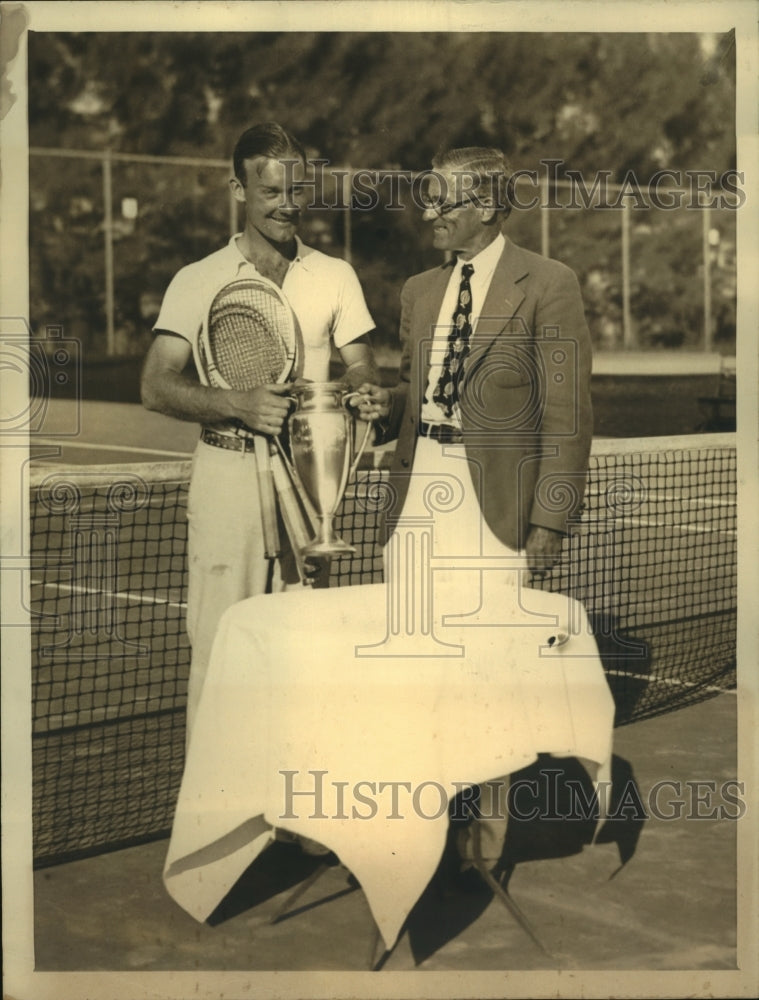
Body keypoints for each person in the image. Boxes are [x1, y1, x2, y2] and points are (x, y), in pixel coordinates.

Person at [356, 145, 593, 884]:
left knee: (489, 672)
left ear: (489, 206)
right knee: (416, 665)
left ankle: (482, 847)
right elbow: (419, 391)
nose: (430, 212)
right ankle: (416, 828)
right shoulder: (418, 290)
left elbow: (566, 416)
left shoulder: (548, 284)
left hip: (496, 502)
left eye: (446, 201)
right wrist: (380, 405)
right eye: (429, 198)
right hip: (418, 490)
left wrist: (548, 524)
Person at [141, 122, 378, 741]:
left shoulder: (335, 276)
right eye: (271, 192)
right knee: (222, 656)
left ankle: (299, 825)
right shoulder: (197, 278)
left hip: (309, 487)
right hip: (226, 483)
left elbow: (361, 364)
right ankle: (219, 828)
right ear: (239, 189)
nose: (288, 204)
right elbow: (156, 384)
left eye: (297, 190)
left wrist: (365, 390)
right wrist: (238, 404)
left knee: (305, 656)